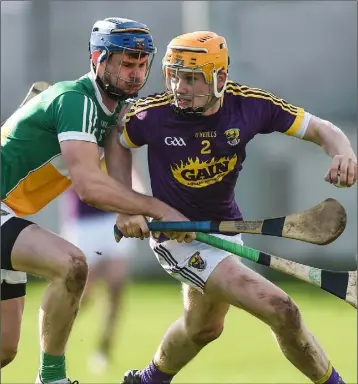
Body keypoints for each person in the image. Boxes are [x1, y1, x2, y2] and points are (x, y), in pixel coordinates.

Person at [111, 31, 357, 384]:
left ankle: (147, 381)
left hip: (223, 230)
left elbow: (322, 129)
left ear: (220, 78)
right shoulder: (152, 113)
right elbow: (117, 142)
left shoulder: (250, 105)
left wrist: (343, 153)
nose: (180, 86)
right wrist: (127, 205)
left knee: (203, 328)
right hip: (175, 238)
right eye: (175, 75)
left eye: (193, 78)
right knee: (281, 308)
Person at [0, 18, 194, 383]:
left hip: (8, 213)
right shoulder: (77, 101)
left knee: (4, 350)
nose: (135, 74)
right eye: (126, 63)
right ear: (98, 59)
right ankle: (52, 378)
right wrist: (156, 208)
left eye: (141, 64)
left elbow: (113, 165)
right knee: (71, 264)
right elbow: (89, 185)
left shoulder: (113, 112)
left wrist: (127, 210)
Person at [60, 163, 146, 374]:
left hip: (112, 218)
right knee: (83, 294)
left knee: (116, 285)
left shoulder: (114, 133)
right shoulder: (76, 136)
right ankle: (55, 341)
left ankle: (104, 349)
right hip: (82, 223)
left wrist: (141, 198)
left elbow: (128, 168)